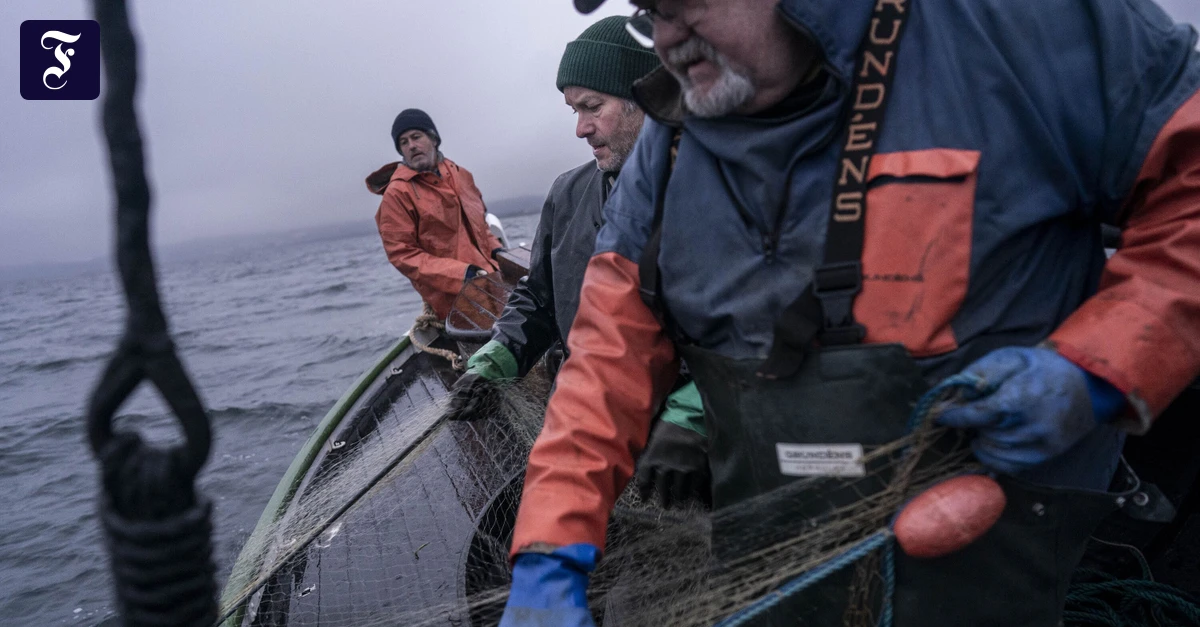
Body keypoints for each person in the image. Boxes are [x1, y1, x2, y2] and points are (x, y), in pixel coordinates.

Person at [499, 0, 1200, 625]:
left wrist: (1101, 365)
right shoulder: (665, 147)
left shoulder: (1019, 27)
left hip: (1006, 562)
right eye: (651, 13)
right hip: (776, 573)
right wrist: (549, 551)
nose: (668, 41)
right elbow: (604, 365)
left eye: (686, 6)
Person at [445, 16, 710, 510]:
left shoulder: (717, 188)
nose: (580, 128)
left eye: (593, 107)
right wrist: (494, 364)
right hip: (594, 431)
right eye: (573, 109)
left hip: (694, 456)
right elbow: (538, 297)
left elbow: (756, 328)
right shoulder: (568, 193)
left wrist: (690, 418)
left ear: (648, 100)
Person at [366, 109, 503, 319]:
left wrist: (498, 252)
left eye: (416, 137)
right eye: (403, 142)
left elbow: (481, 227)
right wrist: (461, 274)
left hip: (495, 283)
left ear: (433, 139)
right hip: (456, 302)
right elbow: (403, 254)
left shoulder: (462, 175)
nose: (411, 145)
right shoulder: (397, 194)